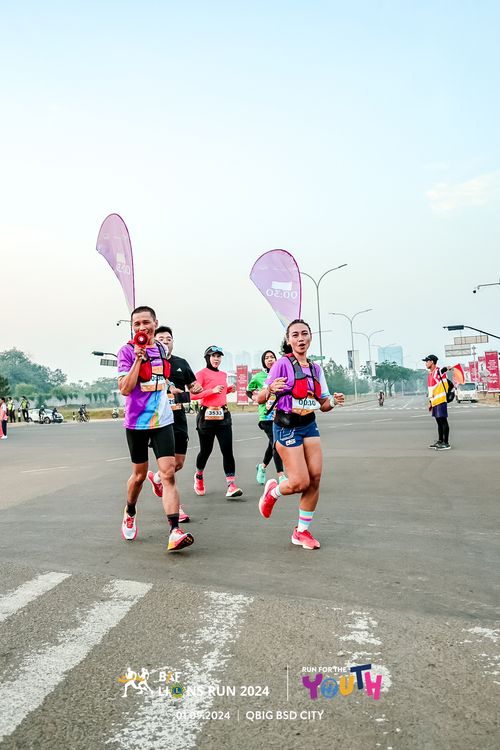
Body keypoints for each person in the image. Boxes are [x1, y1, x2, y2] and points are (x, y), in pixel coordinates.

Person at [257, 319, 344, 550]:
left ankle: (301, 531)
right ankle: (273, 492)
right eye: (295, 335)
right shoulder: (282, 364)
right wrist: (270, 389)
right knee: (299, 482)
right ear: (288, 340)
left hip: (309, 424)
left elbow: (323, 404)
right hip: (286, 426)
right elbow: (260, 398)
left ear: (310, 337)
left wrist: (334, 401)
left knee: (315, 478)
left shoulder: (316, 369)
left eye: (304, 334)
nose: (300, 338)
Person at [117, 305, 194, 552]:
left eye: (146, 322)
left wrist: (179, 389)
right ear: (132, 327)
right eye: (137, 324)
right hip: (136, 422)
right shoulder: (126, 351)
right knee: (139, 476)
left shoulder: (161, 349)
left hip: (162, 420)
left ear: (155, 323)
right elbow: (125, 388)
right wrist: (138, 360)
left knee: (168, 474)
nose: (142, 327)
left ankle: (174, 531)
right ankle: (130, 510)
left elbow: (163, 378)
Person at [146, 325, 202, 523]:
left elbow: (192, 385)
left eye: (168, 339)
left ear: (173, 342)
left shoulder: (181, 363)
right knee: (169, 469)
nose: (165, 342)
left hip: (178, 418)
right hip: (159, 421)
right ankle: (176, 510)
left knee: (178, 463)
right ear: (154, 341)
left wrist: (195, 387)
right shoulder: (149, 362)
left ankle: (157, 478)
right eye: (160, 338)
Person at [191, 346, 242, 498]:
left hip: (223, 415)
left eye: (219, 356)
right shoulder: (201, 374)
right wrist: (211, 391)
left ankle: (231, 485)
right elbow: (192, 395)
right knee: (205, 451)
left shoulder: (223, 374)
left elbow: (220, 392)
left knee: (227, 450)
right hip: (206, 416)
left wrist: (228, 390)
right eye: (213, 356)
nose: (216, 359)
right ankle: (199, 476)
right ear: (207, 358)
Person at [247, 350, 286, 485]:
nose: (270, 359)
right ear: (263, 362)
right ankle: (281, 475)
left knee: (273, 444)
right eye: (267, 358)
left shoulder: (282, 375)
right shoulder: (259, 377)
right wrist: (255, 397)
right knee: (276, 443)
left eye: (272, 357)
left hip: (279, 414)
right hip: (265, 416)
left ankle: (262, 467)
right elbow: (248, 390)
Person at [424, 354, 451, 450]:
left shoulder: (438, 371)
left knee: (443, 421)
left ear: (432, 362)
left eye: (427, 361)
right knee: (438, 422)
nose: (426, 363)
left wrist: (447, 368)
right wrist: (430, 402)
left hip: (441, 400)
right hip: (435, 401)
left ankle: (446, 443)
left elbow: (443, 370)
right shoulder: (430, 374)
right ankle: (440, 441)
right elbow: (431, 390)